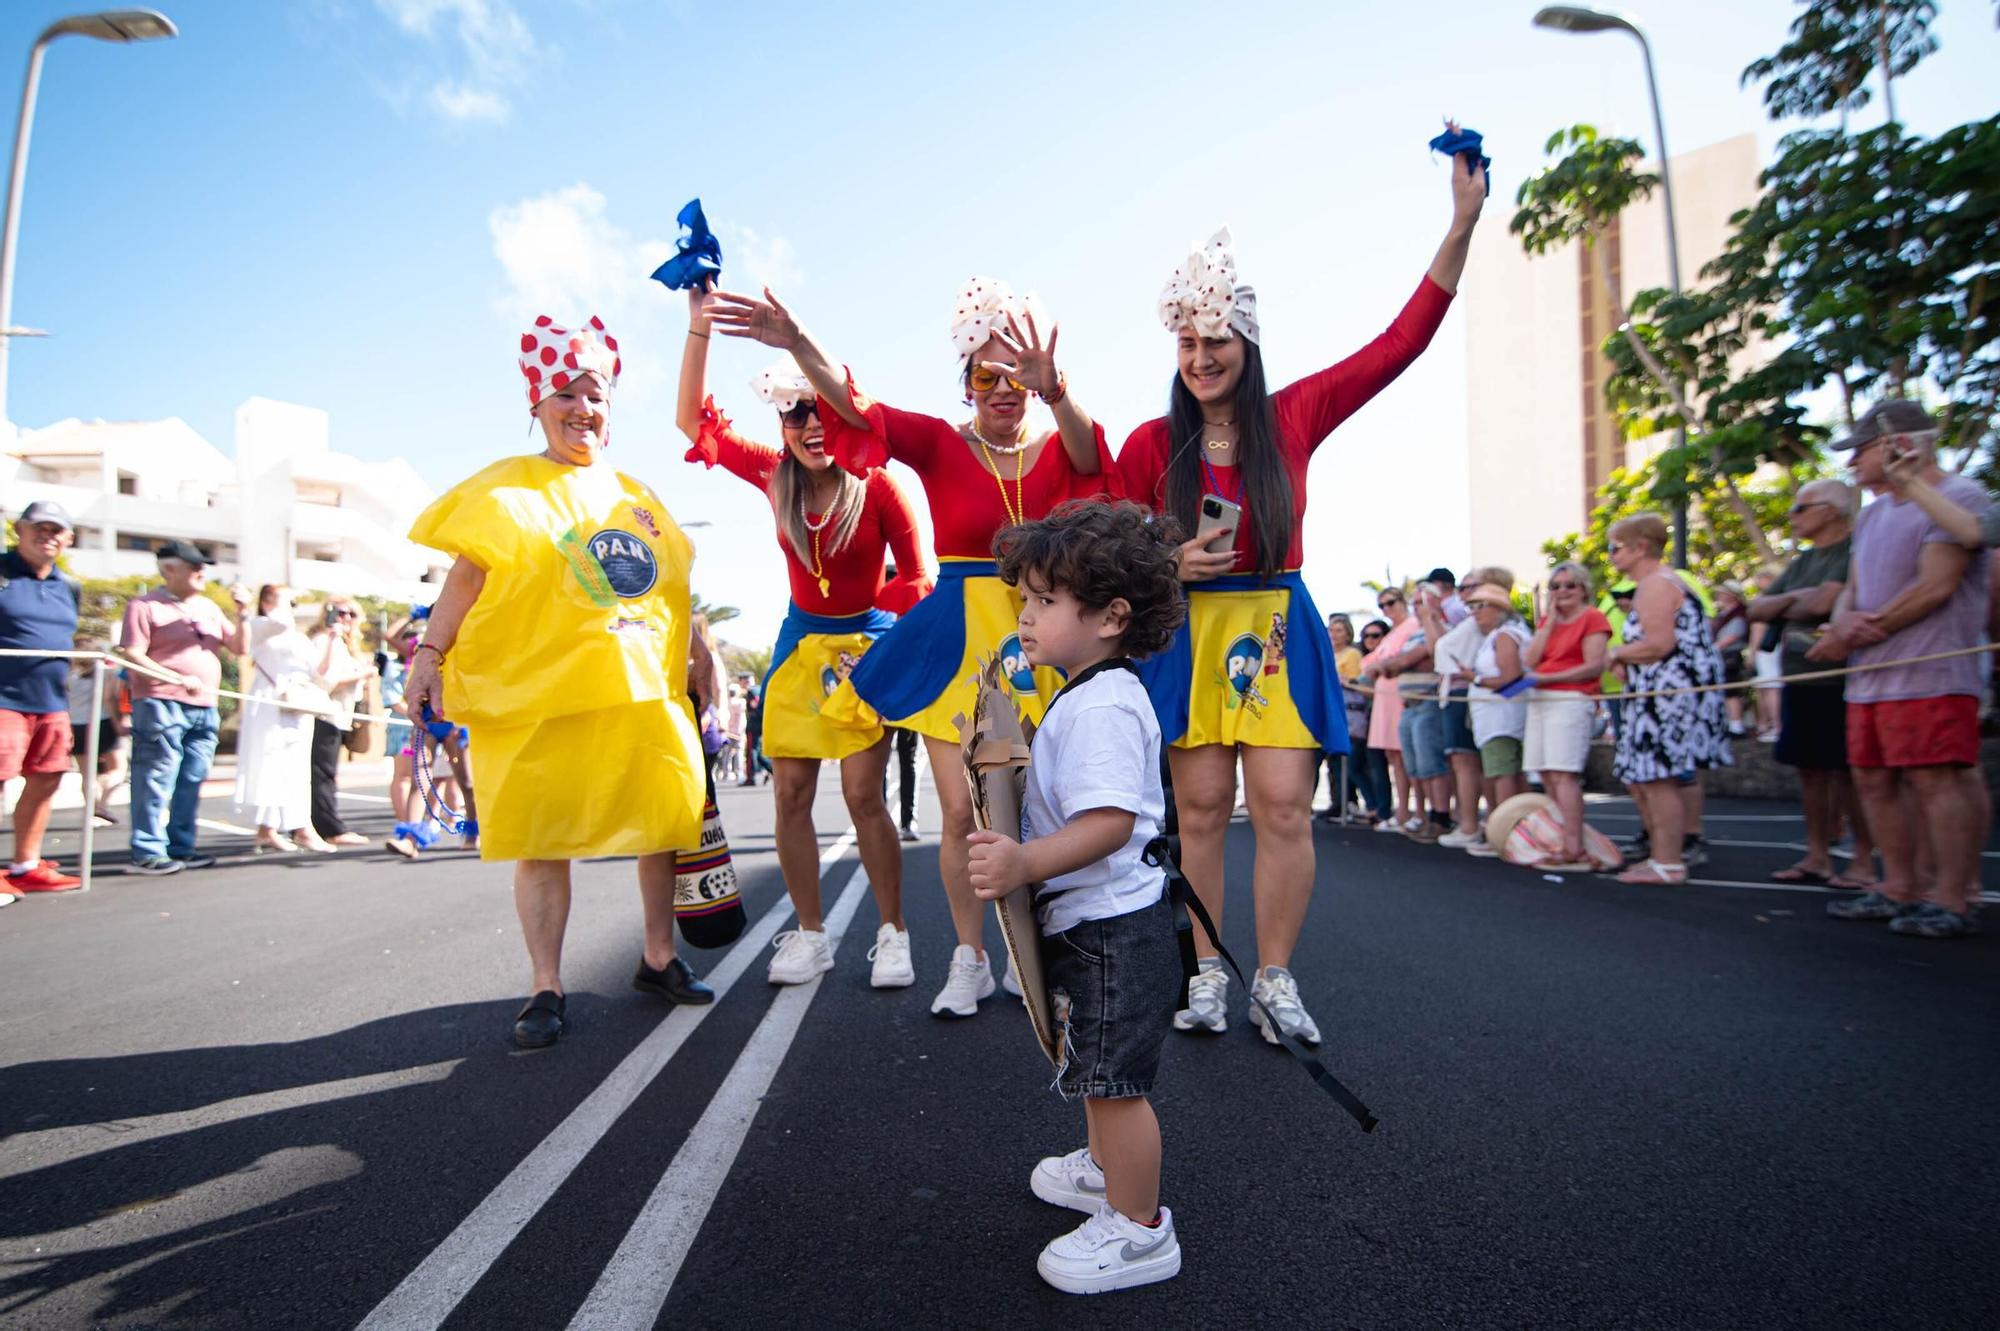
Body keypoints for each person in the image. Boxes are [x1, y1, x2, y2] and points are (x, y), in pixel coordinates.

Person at [1117, 155, 1484, 1043]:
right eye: (1189, 344)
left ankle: (1274, 978)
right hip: (1192, 636)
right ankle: (1206, 973)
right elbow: (1113, 552)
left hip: (1278, 625)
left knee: (1283, 804)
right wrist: (1169, 570)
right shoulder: (1145, 444)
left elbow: (1400, 345)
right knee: (1199, 809)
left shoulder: (1295, 416)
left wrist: (1461, 224)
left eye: (1219, 343)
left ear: (1247, 348)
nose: (1202, 359)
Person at [706, 276, 1115, 1018]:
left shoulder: (1058, 437)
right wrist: (798, 340)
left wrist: (1057, 390)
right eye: (987, 374)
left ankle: (1057, 954)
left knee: (1048, 807)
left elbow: (1092, 463)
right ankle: (971, 956)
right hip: (957, 642)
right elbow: (859, 408)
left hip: (1045, 634)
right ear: (967, 381)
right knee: (962, 811)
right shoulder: (938, 443)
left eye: (1015, 373)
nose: (1004, 387)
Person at [404, 314, 714, 1048]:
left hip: (640, 688)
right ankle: (545, 984)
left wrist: (704, 659)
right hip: (542, 691)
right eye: (567, 394)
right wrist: (429, 654)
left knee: (663, 820)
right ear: (537, 405)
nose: (584, 408)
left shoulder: (638, 494)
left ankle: (658, 955)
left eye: (596, 394)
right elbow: (467, 573)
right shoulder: (507, 489)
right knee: (540, 835)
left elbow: (671, 592)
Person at [677, 288, 930, 989]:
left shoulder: (878, 486)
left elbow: (918, 577)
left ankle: (893, 931)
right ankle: (811, 934)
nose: (809, 425)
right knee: (789, 793)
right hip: (799, 642)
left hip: (865, 646)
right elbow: (690, 421)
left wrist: (874, 644)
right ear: (781, 421)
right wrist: (699, 328)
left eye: (819, 409)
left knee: (861, 792)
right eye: (795, 413)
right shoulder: (773, 473)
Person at [966, 500, 1188, 1294]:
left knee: (1115, 1085)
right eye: (1024, 601)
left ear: (1109, 616)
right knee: (1095, 1068)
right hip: (1100, 926)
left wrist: (1025, 858)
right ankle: (1104, 1172)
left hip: (1114, 932)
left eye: (1044, 602)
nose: (1024, 618)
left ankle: (1138, 1228)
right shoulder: (1087, 693)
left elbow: (1107, 823)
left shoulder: (1099, 704)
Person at [1812, 401, 1990, 938]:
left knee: (1935, 780)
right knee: (1872, 780)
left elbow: (1937, 586)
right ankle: (1899, 888)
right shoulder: (1870, 514)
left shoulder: (1959, 498)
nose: (1852, 465)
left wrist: (1872, 627)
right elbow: (1855, 590)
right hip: (1869, 677)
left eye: (1862, 451)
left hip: (1928, 673)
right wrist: (1844, 625)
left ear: (1899, 445)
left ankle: (1953, 898)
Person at [1749, 479, 1876, 888]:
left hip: (1841, 678)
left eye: (1801, 508)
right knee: (1810, 770)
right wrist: (1795, 600)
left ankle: (1861, 860)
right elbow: (1758, 607)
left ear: (1831, 510)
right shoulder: (1803, 561)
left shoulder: (1856, 549)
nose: (1792, 516)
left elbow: (1825, 604)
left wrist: (1788, 603)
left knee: (1847, 771)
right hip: (1799, 676)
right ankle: (1817, 856)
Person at [1605, 514, 1732, 885]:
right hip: (1658, 694)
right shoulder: (1657, 584)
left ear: (1641, 547)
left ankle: (1668, 862)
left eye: (1616, 548)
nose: (1611, 556)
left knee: (1660, 778)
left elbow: (1660, 645)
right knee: (1653, 778)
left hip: (1666, 698)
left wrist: (1617, 655)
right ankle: (1663, 855)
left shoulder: (1656, 585)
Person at [118, 541, 250, 876]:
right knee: (156, 775)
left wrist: (243, 613)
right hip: (161, 701)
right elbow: (132, 654)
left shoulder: (207, 607)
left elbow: (238, 648)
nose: (201, 572)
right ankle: (147, 850)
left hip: (204, 704)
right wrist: (175, 678)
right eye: (193, 566)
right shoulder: (145, 606)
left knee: (192, 776)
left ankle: (181, 845)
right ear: (169, 569)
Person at [1, 501, 85, 893]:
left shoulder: (68, 586)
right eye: (39, 527)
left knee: (46, 779)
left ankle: (25, 865)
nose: (47, 536)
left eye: (56, 530)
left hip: (51, 701)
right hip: (4, 700)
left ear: (67, 538)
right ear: (20, 529)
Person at [1520, 560, 1611, 869]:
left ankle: (1574, 846)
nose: (1562, 591)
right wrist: (1549, 624)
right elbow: (1530, 659)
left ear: (1584, 588)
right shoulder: (1549, 620)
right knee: (1545, 772)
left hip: (1571, 698)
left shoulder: (1593, 618)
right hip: (1539, 699)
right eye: (1555, 586)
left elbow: (1594, 664)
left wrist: (1547, 679)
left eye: (1569, 585)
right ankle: (1560, 839)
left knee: (1564, 773)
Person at [234, 585, 333, 854]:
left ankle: (295, 827)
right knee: (271, 763)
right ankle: (271, 828)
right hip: (272, 702)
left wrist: (332, 639)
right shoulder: (262, 626)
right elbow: (279, 622)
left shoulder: (298, 638)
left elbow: (319, 671)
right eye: (287, 599)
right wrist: (276, 601)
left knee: (297, 767)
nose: (293, 604)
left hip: (298, 703)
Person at [1465, 582, 1531, 838]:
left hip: (1501, 721)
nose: (1475, 612)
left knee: (1502, 773)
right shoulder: (1502, 634)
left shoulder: (1506, 635)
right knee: (1501, 772)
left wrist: (1476, 678)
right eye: (1472, 606)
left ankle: (1505, 833)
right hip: (1496, 719)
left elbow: (1511, 678)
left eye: (1480, 606)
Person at [1359, 587, 1421, 832]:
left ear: (1402, 601)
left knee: (1406, 755)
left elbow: (1391, 663)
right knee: (1393, 757)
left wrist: (1382, 667)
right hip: (1384, 697)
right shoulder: (1393, 633)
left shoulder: (1412, 625)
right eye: (1381, 605)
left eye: (1391, 602)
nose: (1387, 608)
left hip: (1399, 694)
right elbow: (1369, 665)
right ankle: (1402, 810)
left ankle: (1415, 812)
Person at [67, 634, 126, 825]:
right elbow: (109, 699)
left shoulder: (68, 675)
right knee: (118, 769)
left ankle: (94, 808)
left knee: (87, 773)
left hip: (76, 725)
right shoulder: (107, 672)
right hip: (102, 722)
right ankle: (100, 803)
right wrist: (118, 724)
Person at [1317, 613, 1363, 821]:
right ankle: (1335, 801)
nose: (1333, 634)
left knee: (1342, 760)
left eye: (1338, 631)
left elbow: (1353, 682)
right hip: (1324, 709)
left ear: (1348, 634)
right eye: (1331, 630)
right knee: (1327, 761)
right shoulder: (1325, 653)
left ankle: (1344, 803)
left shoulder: (1352, 654)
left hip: (1345, 710)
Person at [1352, 618, 1393, 824]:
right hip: (1365, 719)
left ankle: (1383, 811)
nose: (1370, 639)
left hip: (1383, 716)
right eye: (1366, 635)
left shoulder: (1385, 657)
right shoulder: (1367, 659)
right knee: (1356, 766)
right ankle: (1373, 806)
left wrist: (1351, 684)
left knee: (1377, 766)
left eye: (1375, 635)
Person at [1711, 581, 1751, 737]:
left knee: (1731, 691)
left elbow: (1734, 635)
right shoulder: (1724, 614)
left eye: (1723, 593)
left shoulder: (1738, 614)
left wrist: (1714, 648)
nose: (1719, 596)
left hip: (1730, 656)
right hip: (1721, 655)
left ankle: (1736, 725)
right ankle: (1729, 723)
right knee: (1725, 691)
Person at [1749, 563, 1785, 739]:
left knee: (1771, 688)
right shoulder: (1780, 598)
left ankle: (1776, 725)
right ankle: (1770, 724)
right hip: (1776, 647)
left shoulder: (1769, 600)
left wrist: (1752, 652)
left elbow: (1759, 628)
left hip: (1768, 649)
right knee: (1768, 688)